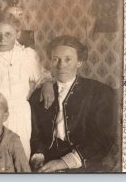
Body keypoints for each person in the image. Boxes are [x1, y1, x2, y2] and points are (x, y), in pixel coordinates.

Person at [0, 12, 54, 160]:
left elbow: (42, 75)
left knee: (21, 155)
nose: (3, 39)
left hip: (21, 114)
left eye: (8, 34)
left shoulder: (27, 55)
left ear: (17, 33)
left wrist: (47, 84)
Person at [29, 35, 118, 172]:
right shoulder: (39, 94)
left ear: (79, 62)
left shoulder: (100, 92)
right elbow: (35, 134)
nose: (61, 65)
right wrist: (38, 156)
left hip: (84, 160)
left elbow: (103, 138)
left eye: (68, 59)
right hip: (47, 158)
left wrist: (64, 162)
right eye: (55, 59)